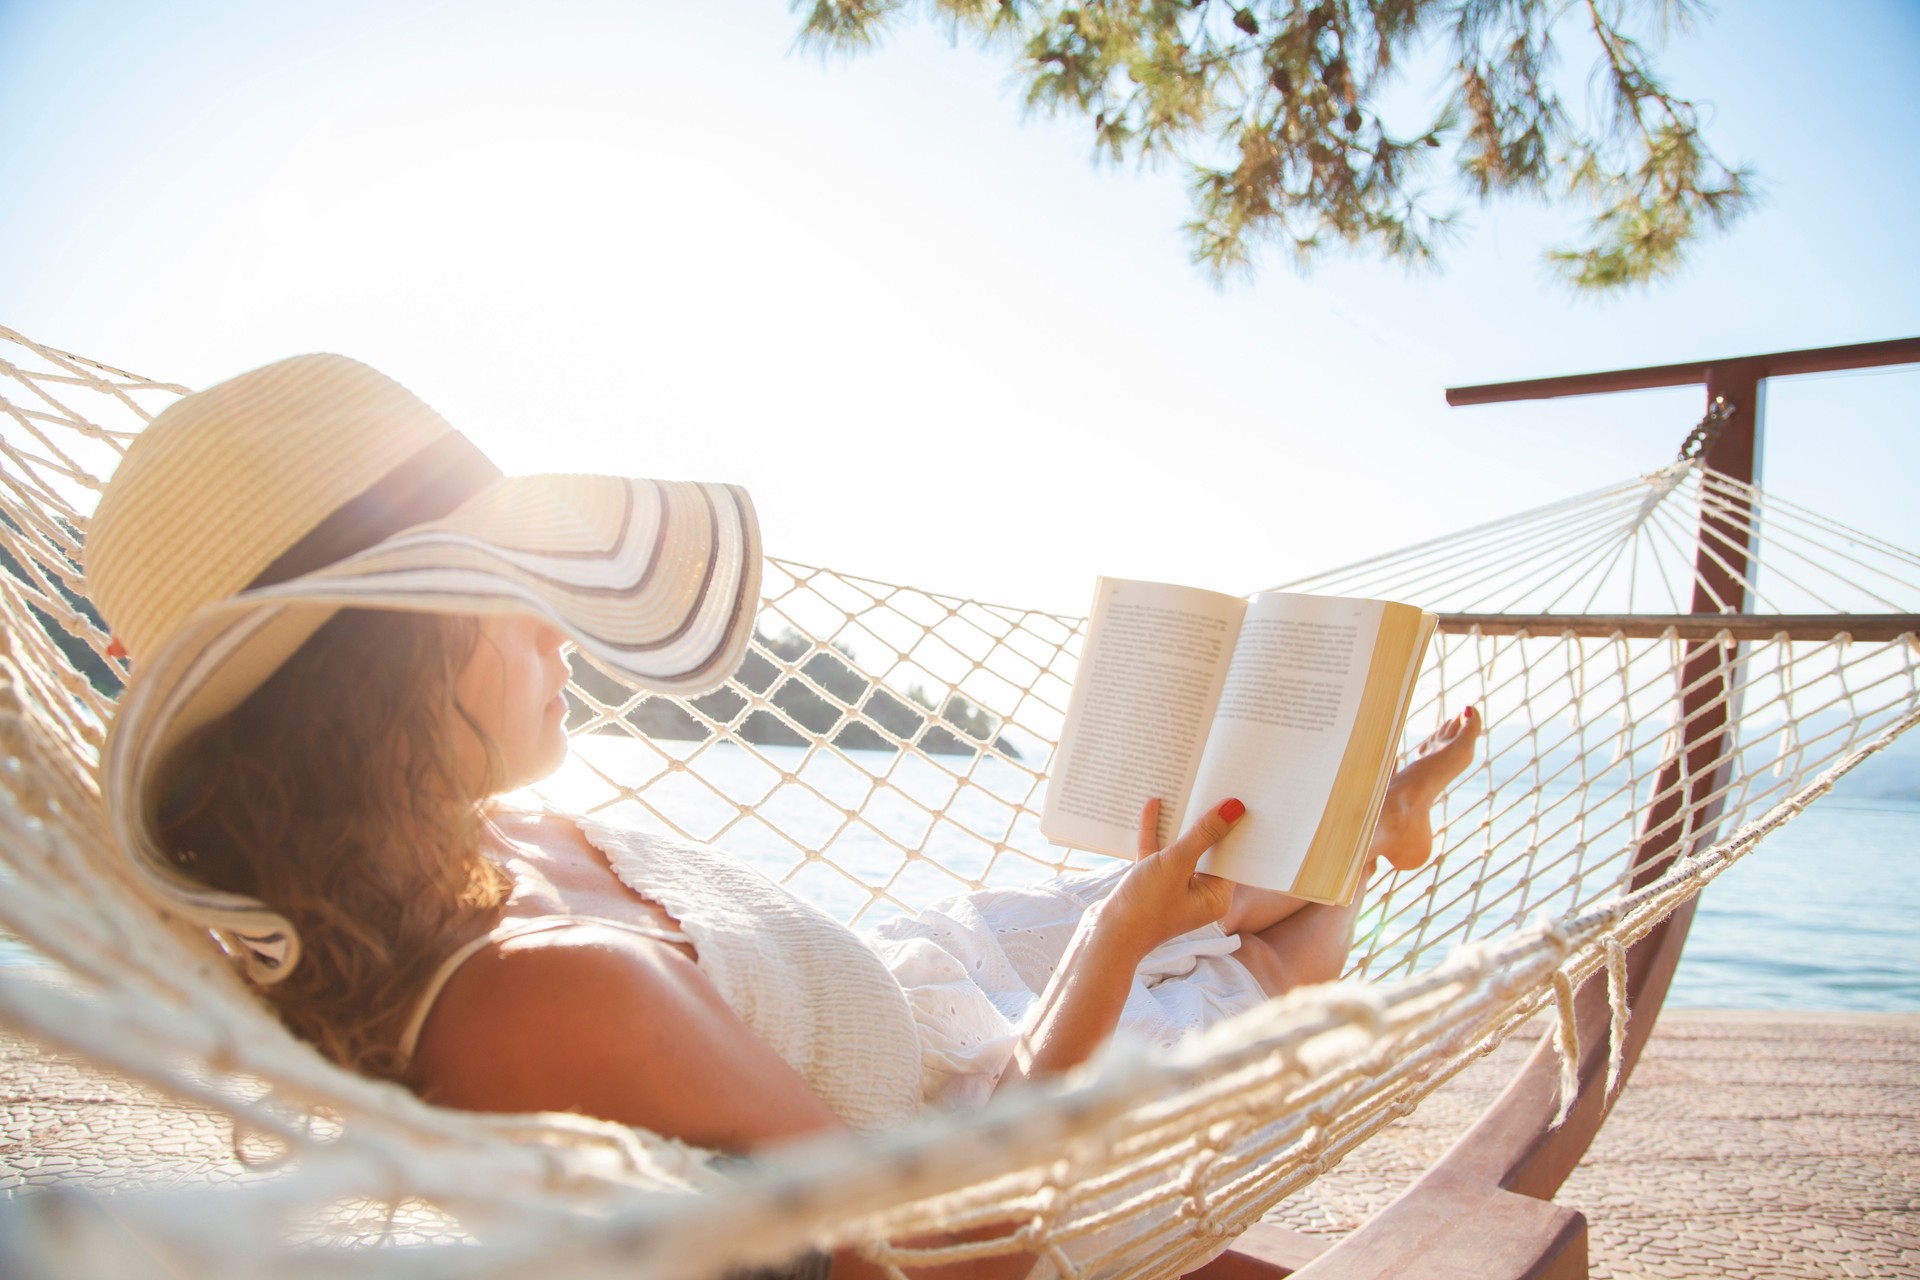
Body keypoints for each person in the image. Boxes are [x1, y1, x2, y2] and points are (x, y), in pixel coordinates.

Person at [84, 354, 1480, 1276]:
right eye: (504, 591)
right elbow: (959, 1255)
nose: (561, 626)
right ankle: (1367, 840)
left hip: (924, 975)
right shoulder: (543, 995)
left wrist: (1113, 933)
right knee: (1262, 962)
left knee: (1217, 892)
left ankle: (1369, 825)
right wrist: (1111, 954)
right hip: (997, 1115)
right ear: (379, 672)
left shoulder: (440, 851)